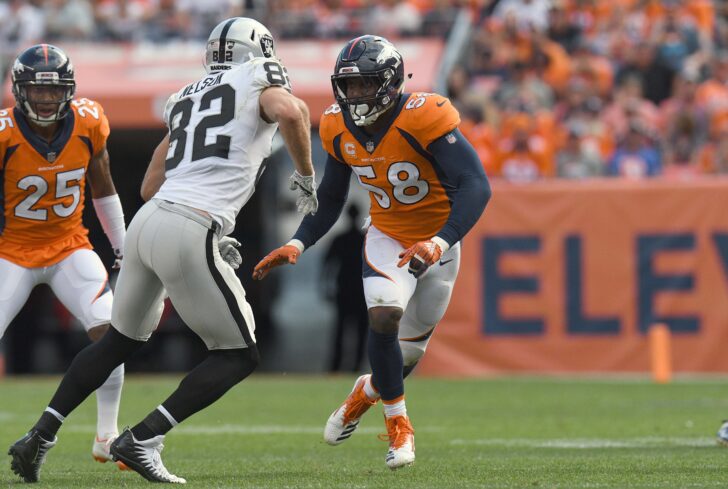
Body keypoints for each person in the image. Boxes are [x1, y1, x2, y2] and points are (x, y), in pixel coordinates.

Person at [8, 17, 318, 484]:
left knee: (117, 341)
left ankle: (40, 435)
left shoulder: (188, 94)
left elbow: (152, 183)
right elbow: (293, 113)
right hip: (189, 223)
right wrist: (306, 175)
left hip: (150, 221)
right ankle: (144, 437)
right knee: (238, 354)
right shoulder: (259, 76)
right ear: (259, 49)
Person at [253, 35, 491, 469]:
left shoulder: (425, 116)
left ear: (389, 81)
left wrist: (440, 240)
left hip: (438, 242)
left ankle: (365, 393)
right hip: (387, 235)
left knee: (407, 357)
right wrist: (297, 241)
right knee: (383, 314)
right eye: (349, 86)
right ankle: (400, 427)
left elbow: (476, 185)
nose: (355, 95)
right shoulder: (336, 125)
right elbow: (330, 198)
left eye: (364, 84)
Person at [0, 44, 127, 470]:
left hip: (70, 244)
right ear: (20, 91)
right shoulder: (4, 133)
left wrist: (122, 247)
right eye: (38, 91)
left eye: (54, 92)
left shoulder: (90, 123)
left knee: (111, 332)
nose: (47, 99)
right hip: (12, 251)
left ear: (68, 91)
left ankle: (107, 435)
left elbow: (104, 187)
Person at [321, 203, 368, 372]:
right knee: (361, 330)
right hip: (361, 290)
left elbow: (327, 265)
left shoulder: (340, 239)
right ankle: (356, 364)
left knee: (341, 329)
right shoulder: (364, 239)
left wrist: (325, 287)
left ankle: (336, 364)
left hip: (344, 289)